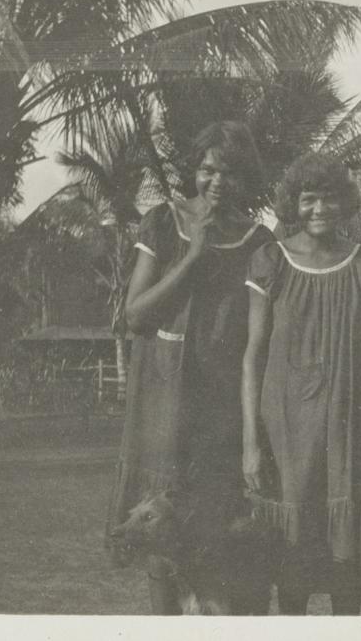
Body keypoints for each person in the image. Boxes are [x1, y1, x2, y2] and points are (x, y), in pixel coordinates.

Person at [104, 120, 274, 615]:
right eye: (207, 169)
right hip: (164, 403)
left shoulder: (259, 240)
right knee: (160, 532)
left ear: (246, 180)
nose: (218, 182)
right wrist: (193, 257)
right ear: (193, 171)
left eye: (231, 173)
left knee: (215, 541)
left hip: (222, 411)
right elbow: (134, 316)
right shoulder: (164, 221)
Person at [241, 153, 361, 615]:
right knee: (292, 564)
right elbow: (253, 355)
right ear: (293, 203)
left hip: (348, 426)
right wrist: (250, 441)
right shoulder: (271, 260)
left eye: (329, 198)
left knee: (347, 565)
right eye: (309, 199)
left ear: (344, 203)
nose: (319, 208)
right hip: (286, 428)